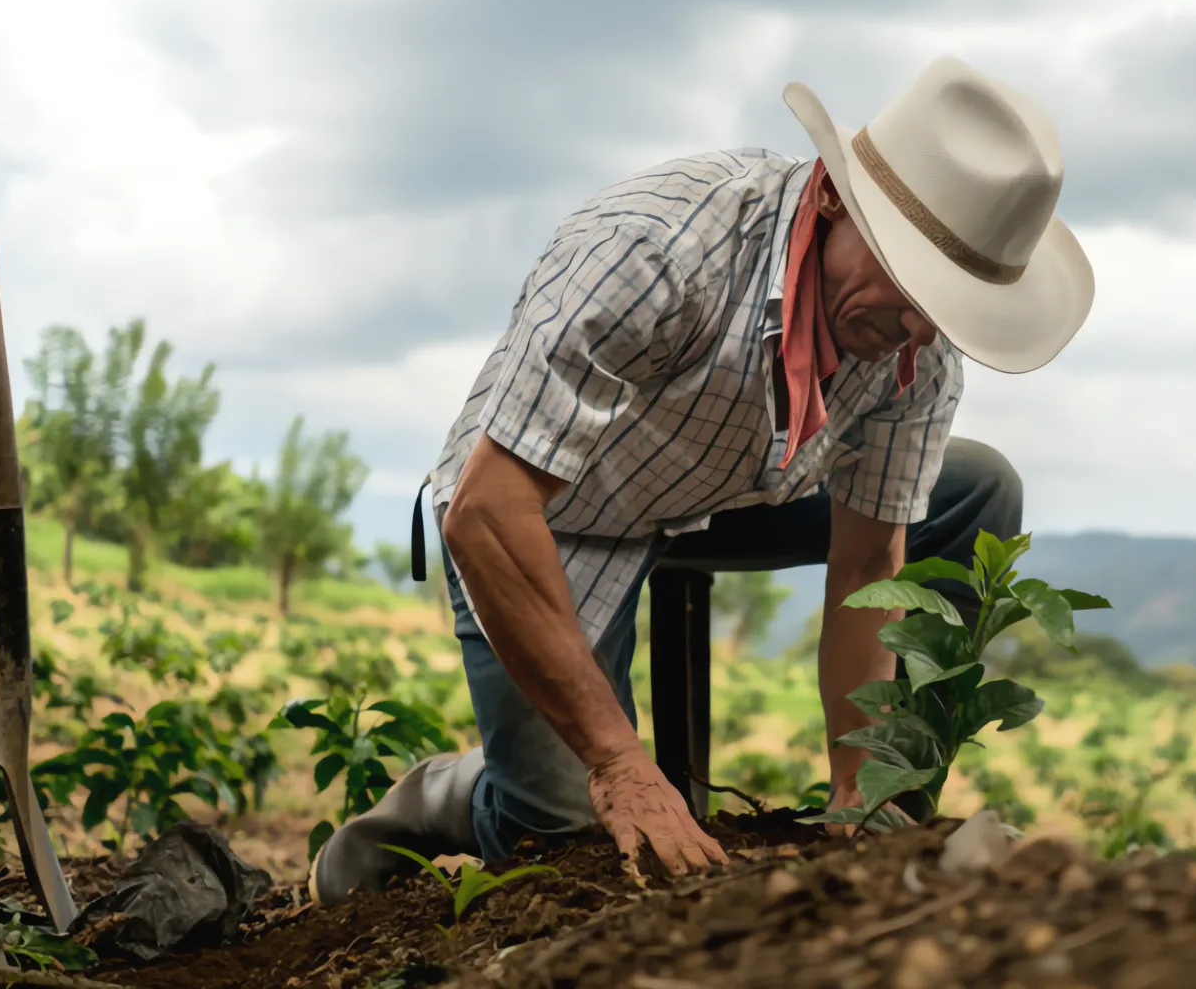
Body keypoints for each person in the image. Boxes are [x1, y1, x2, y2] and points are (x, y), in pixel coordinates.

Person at [309, 55, 1096, 903]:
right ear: (833, 197)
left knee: (978, 489)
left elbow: (871, 565)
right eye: (909, 285)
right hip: (552, 509)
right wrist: (618, 763)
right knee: (565, 831)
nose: (916, 330)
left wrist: (857, 790)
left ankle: (890, 814)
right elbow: (489, 510)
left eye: (943, 308)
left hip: (730, 490)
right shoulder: (656, 251)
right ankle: (448, 794)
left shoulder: (914, 347)